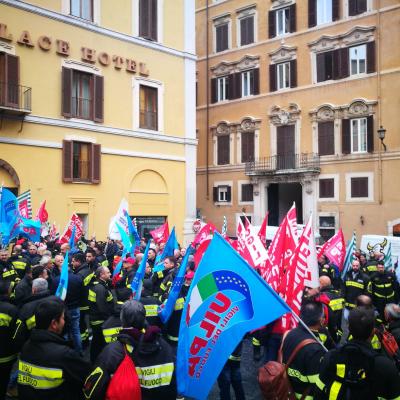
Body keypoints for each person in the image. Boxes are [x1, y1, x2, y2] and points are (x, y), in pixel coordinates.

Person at [83, 300, 177, 400]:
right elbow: (172, 387)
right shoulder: (164, 347)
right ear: (144, 318)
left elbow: (92, 391)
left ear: (122, 321)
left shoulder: (112, 353)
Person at [315, 307, 400, 400]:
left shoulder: (330, 357)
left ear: (349, 329)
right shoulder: (387, 366)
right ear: (373, 332)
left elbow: (319, 393)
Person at [17, 298, 91, 400]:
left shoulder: (26, 346)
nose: (64, 322)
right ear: (54, 324)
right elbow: (87, 375)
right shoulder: (63, 354)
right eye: (63, 318)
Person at [281, 301, 326, 399]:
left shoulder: (289, 334)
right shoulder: (315, 349)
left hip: (286, 390)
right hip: (304, 396)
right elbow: (316, 383)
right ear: (321, 320)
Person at [50, 257, 84, 354]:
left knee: (63, 331)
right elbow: (82, 293)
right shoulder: (78, 278)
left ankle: (64, 352)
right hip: (75, 308)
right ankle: (79, 351)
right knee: (76, 330)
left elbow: (53, 295)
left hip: (62, 310)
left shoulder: (56, 280)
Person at [88, 266, 114, 362]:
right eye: (108, 272)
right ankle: (96, 362)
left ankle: (94, 360)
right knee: (99, 343)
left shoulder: (99, 285)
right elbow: (102, 307)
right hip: (100, 321)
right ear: (101, 275)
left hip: (96, 319)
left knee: (96, 342)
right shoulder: (100, 288)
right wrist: (109, 320)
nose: (110, 274)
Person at [0, 281, 18, 399]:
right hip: (6, 356)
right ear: (8, 292)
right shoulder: (11, 309)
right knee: (3, 379)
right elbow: (16, 334)